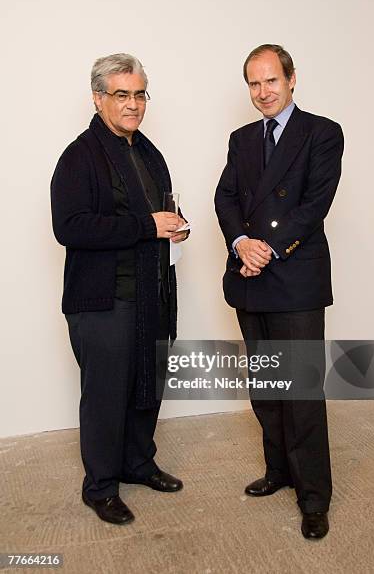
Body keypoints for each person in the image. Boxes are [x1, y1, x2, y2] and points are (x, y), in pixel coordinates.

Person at [51, 53, 189, 525]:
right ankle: (101, 486)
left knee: (147, 384)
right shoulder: (79, 156)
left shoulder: (147, 152)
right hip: (104, 301)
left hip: (151, 294)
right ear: (98, 98)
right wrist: (146, 226)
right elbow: (70, 227)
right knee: (107, 395)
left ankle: (137, 463)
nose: (132, 104)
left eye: (139, 94)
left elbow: (154, 215)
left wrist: (171, 227)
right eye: (121, 94)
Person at [215, 44, 343, 539]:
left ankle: (314, 496)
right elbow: (226, 196)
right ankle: (279, 471)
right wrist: (241, 242)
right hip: (251, 274)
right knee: (267, 388)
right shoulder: (241, 138)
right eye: (254, 83)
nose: (263, 92)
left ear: (292, 80)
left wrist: (266, 246)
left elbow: (315, 205)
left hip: (294, 277)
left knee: (302, 391)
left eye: (271, 81)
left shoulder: (322, 132)